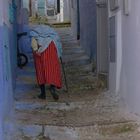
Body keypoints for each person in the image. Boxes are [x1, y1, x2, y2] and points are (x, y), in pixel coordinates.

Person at [30, 25, 62, 100]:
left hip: (39, 55)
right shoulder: (52, 36)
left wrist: (36, 50)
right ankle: (52, 88)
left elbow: (33, 45)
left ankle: (43, 94)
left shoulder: (35, 35)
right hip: (51, 53)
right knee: (52, 70)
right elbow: (58, 45)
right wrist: (59, 54)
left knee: (40, 72)